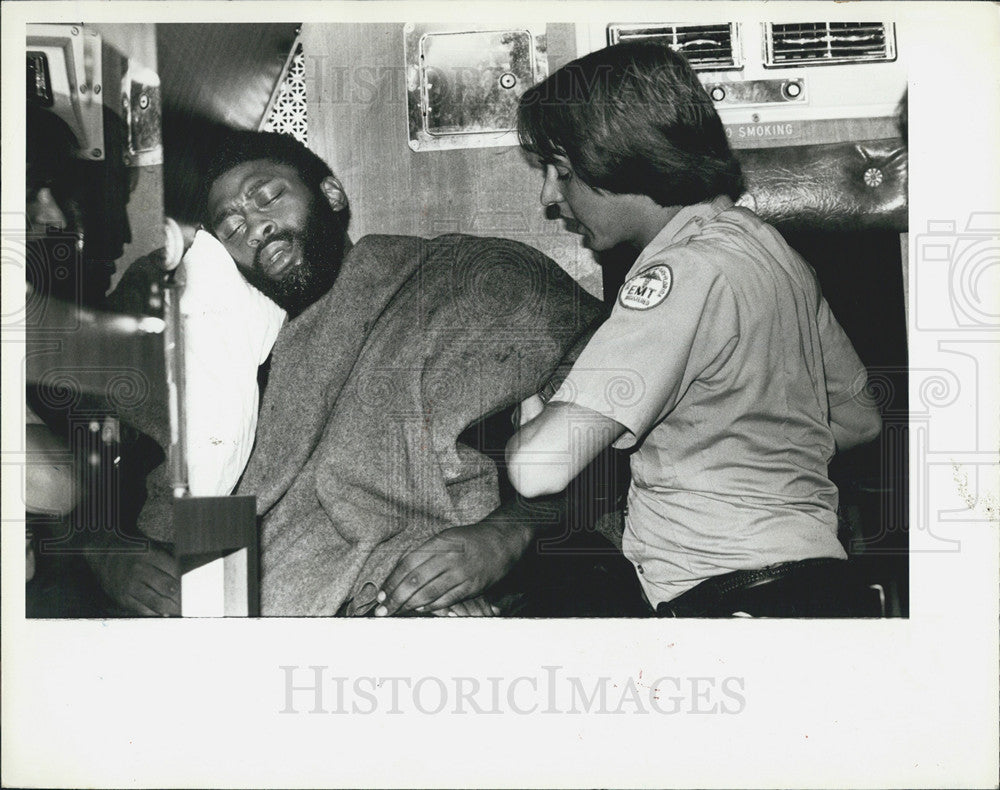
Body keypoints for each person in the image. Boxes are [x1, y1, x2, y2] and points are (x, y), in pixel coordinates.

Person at [98, 130, 605, 617]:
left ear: (332, 195)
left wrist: (508, 534)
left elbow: (620, 421)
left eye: (268, 197)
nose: (255, 228)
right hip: (275, 605)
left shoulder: (457, 278)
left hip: (429, 579)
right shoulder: (225, 348)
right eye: (230, 227)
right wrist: (103, 550)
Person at [505, 41, 884, 617]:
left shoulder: (678, 273)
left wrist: (529, 427)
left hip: (722, 596)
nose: (550, 197)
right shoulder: (771, 251)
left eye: (563, 172)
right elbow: (858, 421)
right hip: (818, 583)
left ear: (619, 160)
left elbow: (539, 470)